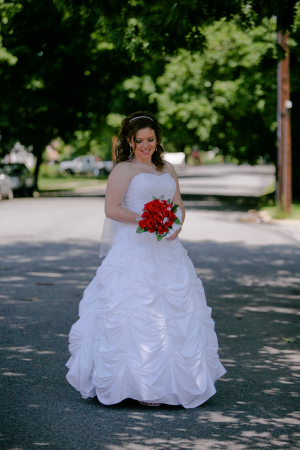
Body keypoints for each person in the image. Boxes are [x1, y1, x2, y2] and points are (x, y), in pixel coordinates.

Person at [66, 111, 226, 408]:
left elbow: (178, 204)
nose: (145, 145)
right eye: (139, 140)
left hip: (167, 249)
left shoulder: (166, 168)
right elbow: (112, 209)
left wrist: (175, 225)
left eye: (150, 139)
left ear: (157, 140)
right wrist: (147, 219)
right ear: (129, 140)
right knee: (133, 311)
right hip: (134, 250)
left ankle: (174, 384)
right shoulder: (122, 171)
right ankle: (134, 384)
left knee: (174, 313)